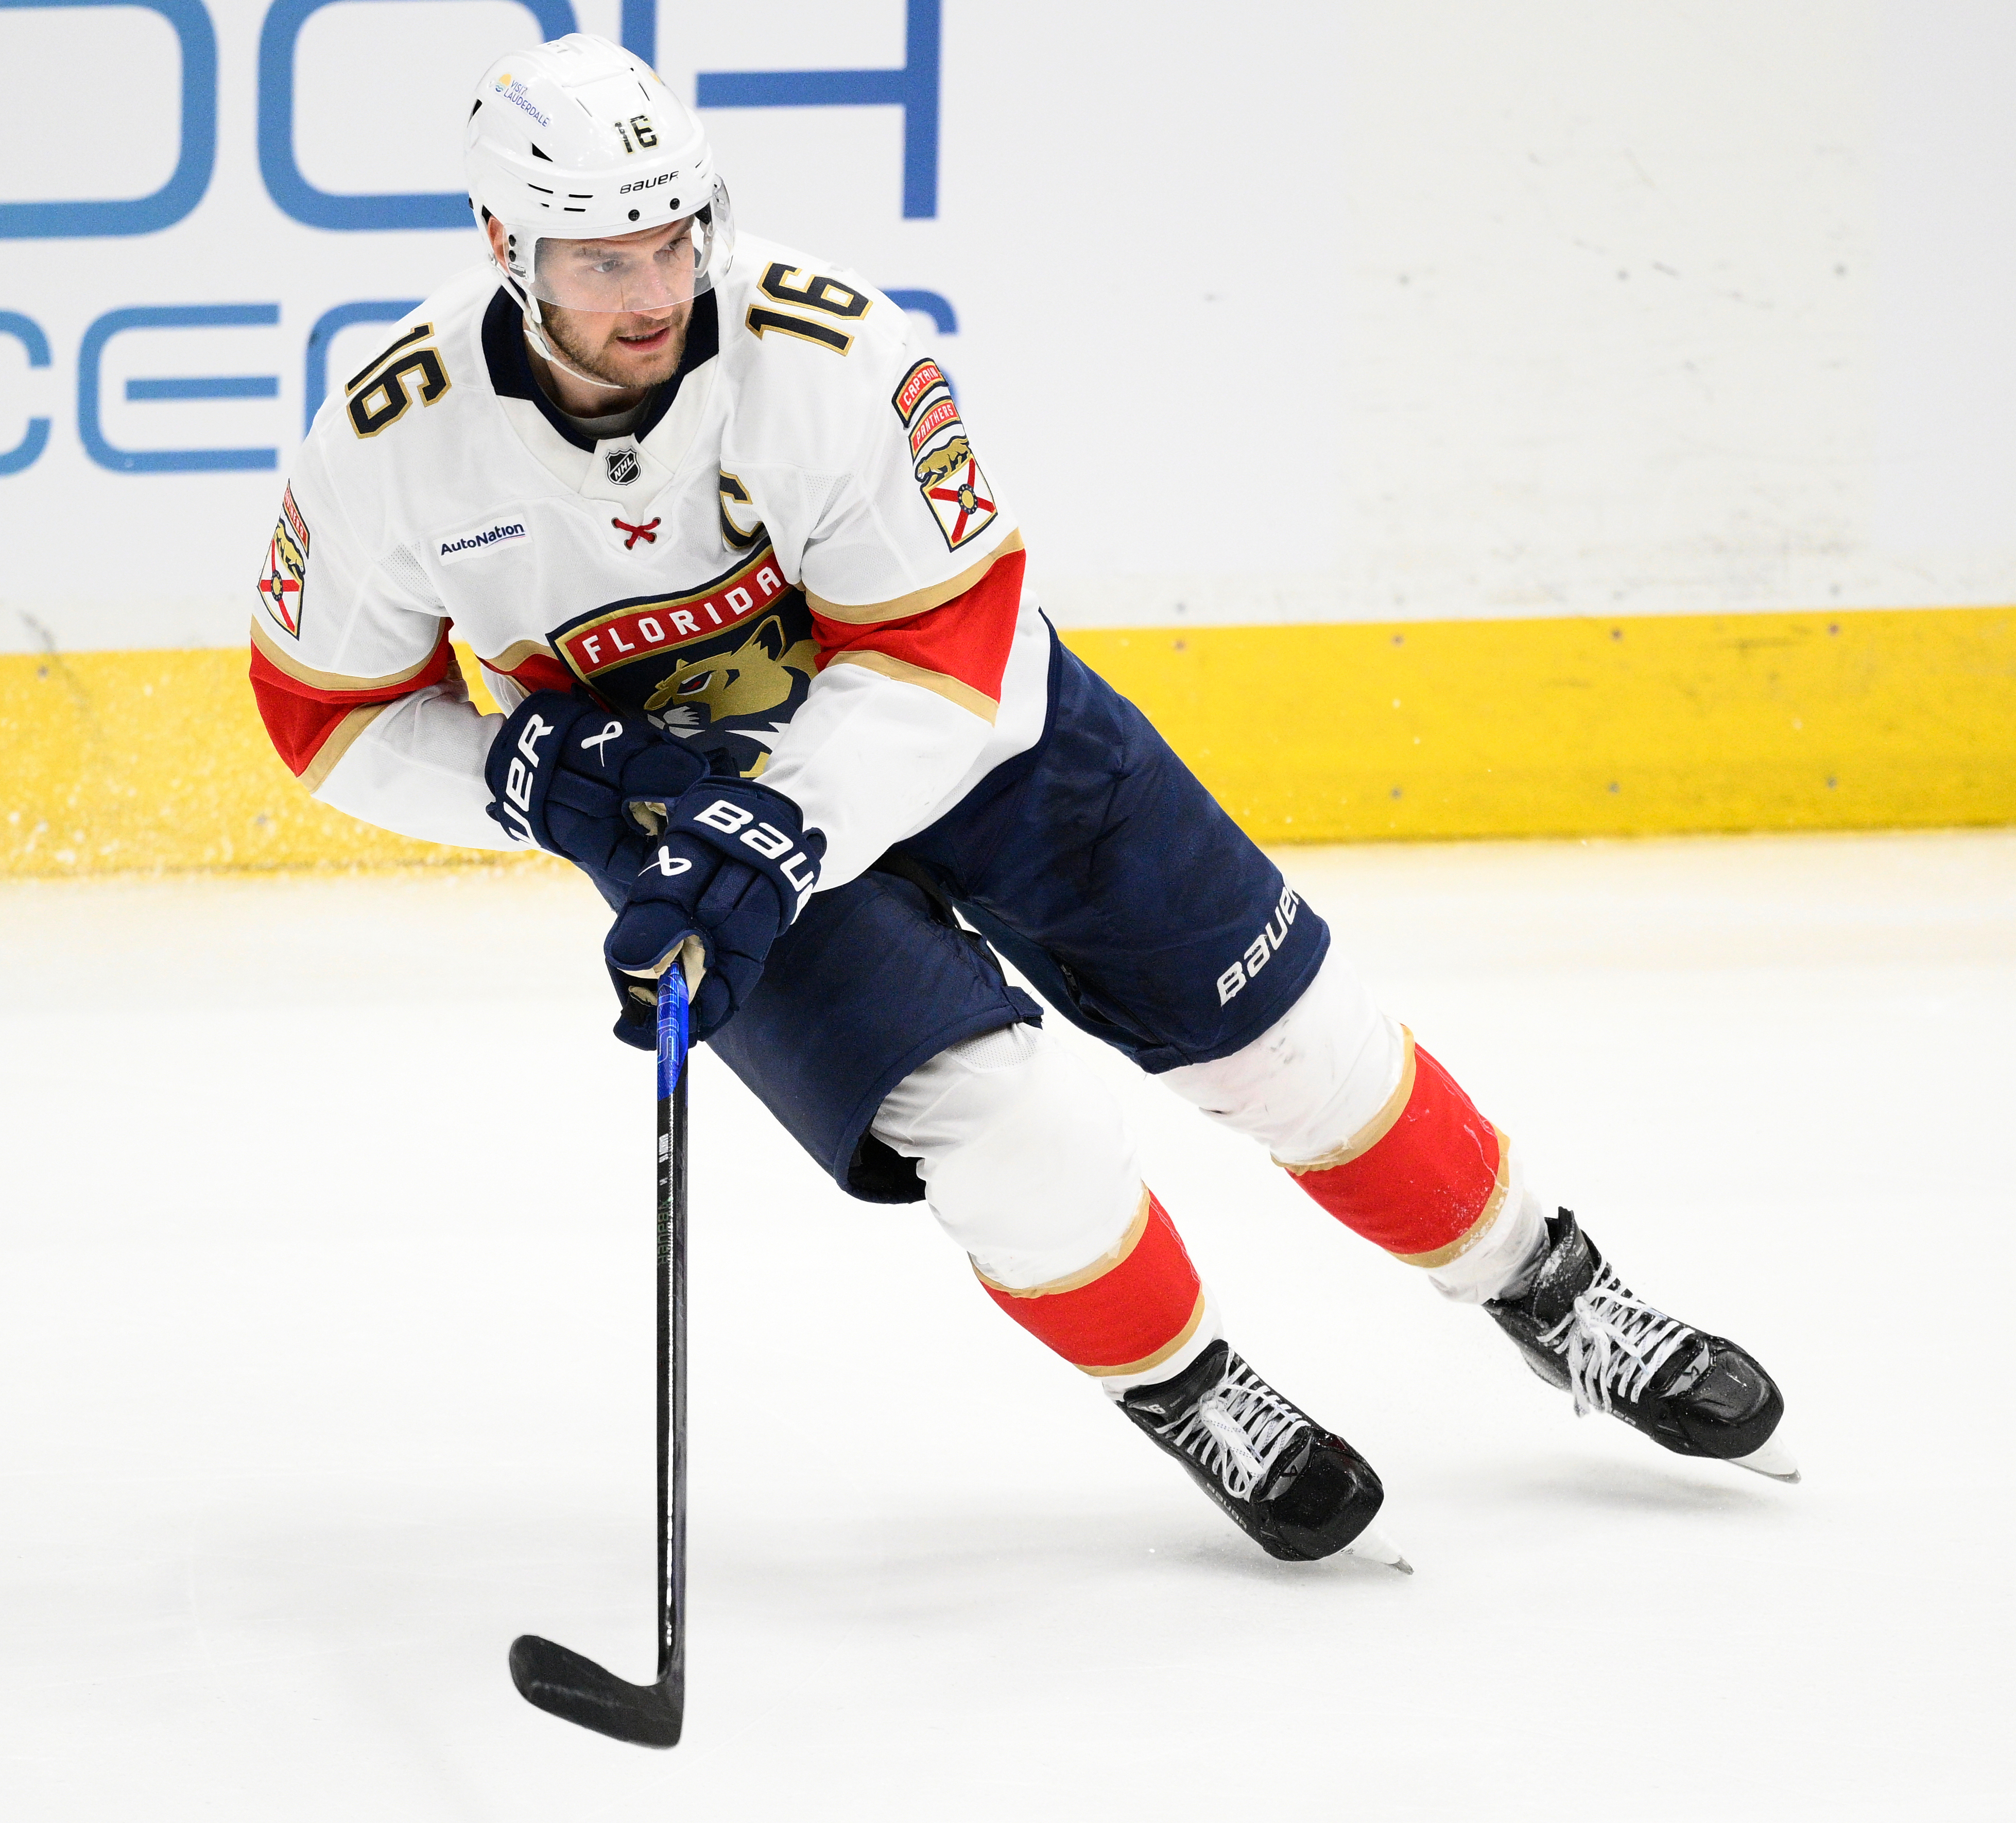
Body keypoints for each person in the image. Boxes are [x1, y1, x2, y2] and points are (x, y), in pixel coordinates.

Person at [246, 33, 1793, 1567]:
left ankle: (1554, 1290)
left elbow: (941, 650)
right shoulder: (391, 445)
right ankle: (1190, 1388)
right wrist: (528, 781)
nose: (654, 293)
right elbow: (325, 714)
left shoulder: (830, 354)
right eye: (602, 260)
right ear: (505, 246)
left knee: (1292, 1053)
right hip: (700, 846)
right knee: (1001, 1132)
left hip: (975, 750)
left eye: (674, 237)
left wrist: (779, 821)